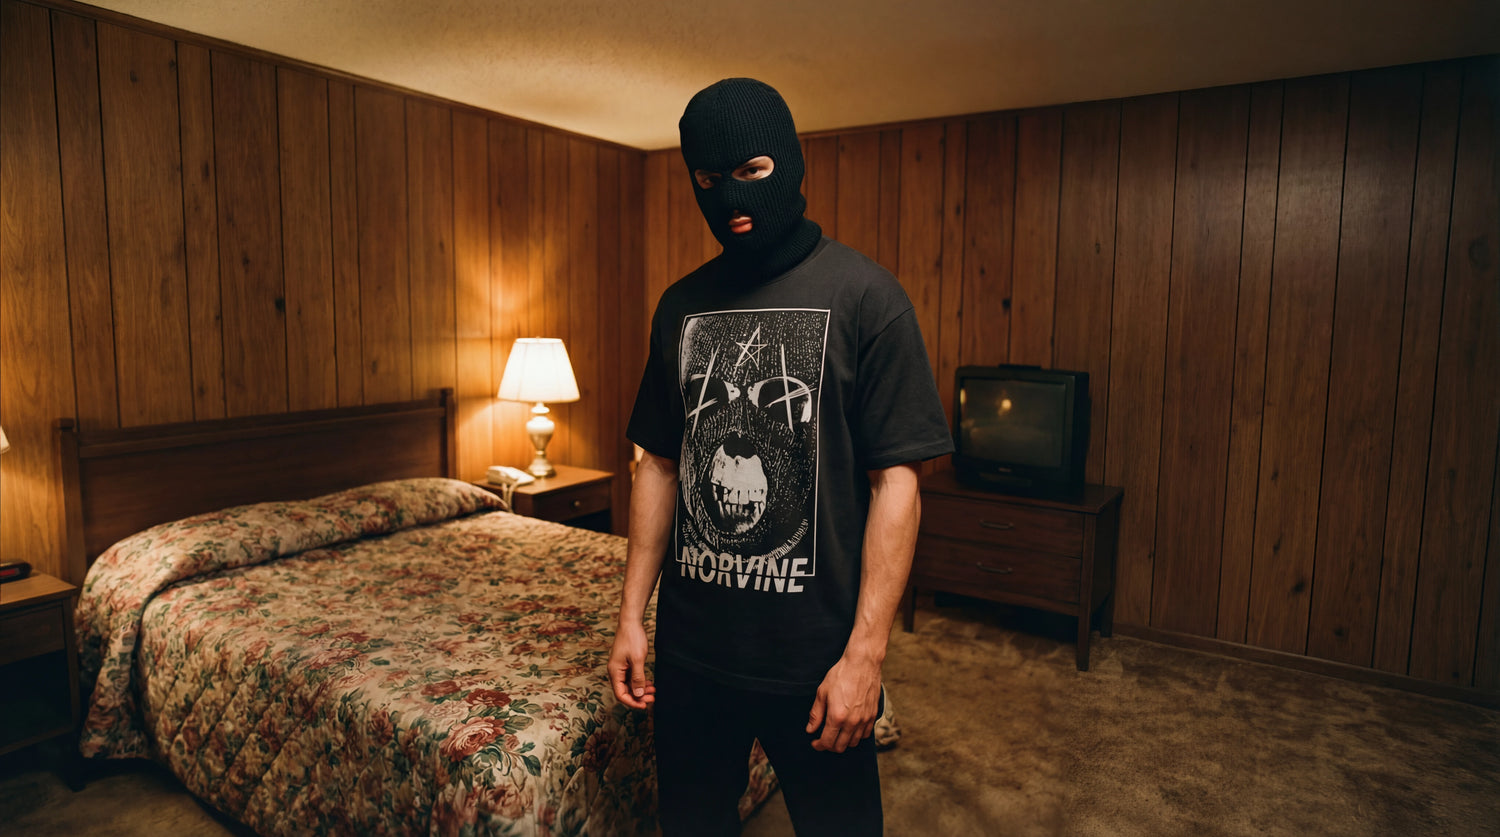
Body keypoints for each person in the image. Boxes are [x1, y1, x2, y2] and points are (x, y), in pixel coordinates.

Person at [608, 77, 953, 836]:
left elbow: (897, 482)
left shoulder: (867, 296)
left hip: (815, 657)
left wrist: (865, 657)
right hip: (694, 654)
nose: (731, 196)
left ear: (789, 164)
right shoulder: (680, 306)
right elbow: (659, 463)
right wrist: (632, 617)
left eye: (752, 171)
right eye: (708, 179)